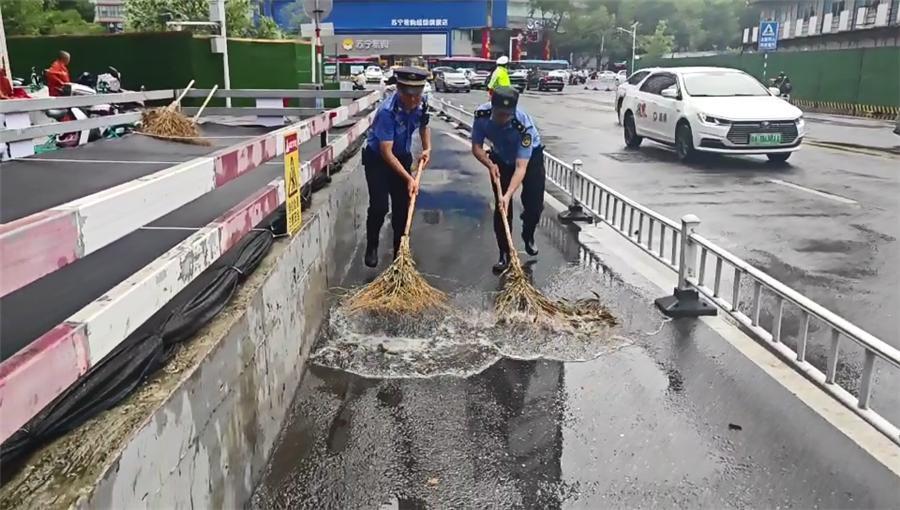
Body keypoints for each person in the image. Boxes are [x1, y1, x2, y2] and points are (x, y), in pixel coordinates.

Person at [362, 66, 432, 268]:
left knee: (403, 208)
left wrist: (427, 148)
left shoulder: (422, 105)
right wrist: (409, 178)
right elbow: (386, 152)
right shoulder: (387, 111)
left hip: (402, 156)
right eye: (408, 95)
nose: (413, 100)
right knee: (380, 206)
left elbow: (424, 126)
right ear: (399, 91)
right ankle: (372, 246)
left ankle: (399, 256)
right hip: (378, 160)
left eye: (416, 95)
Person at [470, 86, 545, 274]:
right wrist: (489, 164)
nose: (503, 119)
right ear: (492, 107)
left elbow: (521, 167)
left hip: (529, 159)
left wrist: (509, 193)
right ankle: (504, 253)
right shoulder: (481, 116)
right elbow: (477, 147)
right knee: (502, 207)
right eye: (500, 114)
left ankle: (528, 234)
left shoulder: (523, 126)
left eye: (507, 115)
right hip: (500, 158)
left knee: (534, 206)